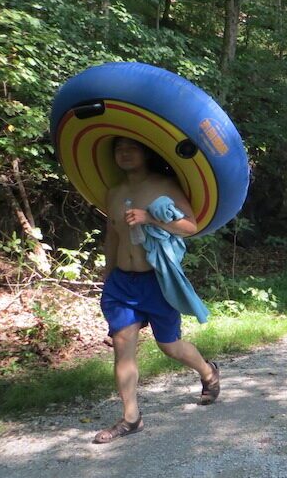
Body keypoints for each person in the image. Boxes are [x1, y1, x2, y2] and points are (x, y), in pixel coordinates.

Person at [93, 137, 220, 444]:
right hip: (122, 283)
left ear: (146, 152)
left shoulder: (164, 185)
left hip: (157, 282)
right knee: (123, 348)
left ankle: (208, 371)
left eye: (131, 147)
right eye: (118, 148)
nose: (123, 152)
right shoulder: (114, 192)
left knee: (170, 346)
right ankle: (131, 418)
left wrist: (151, 218)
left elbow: (191, 225)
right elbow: (112, 234)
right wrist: (108, 275)